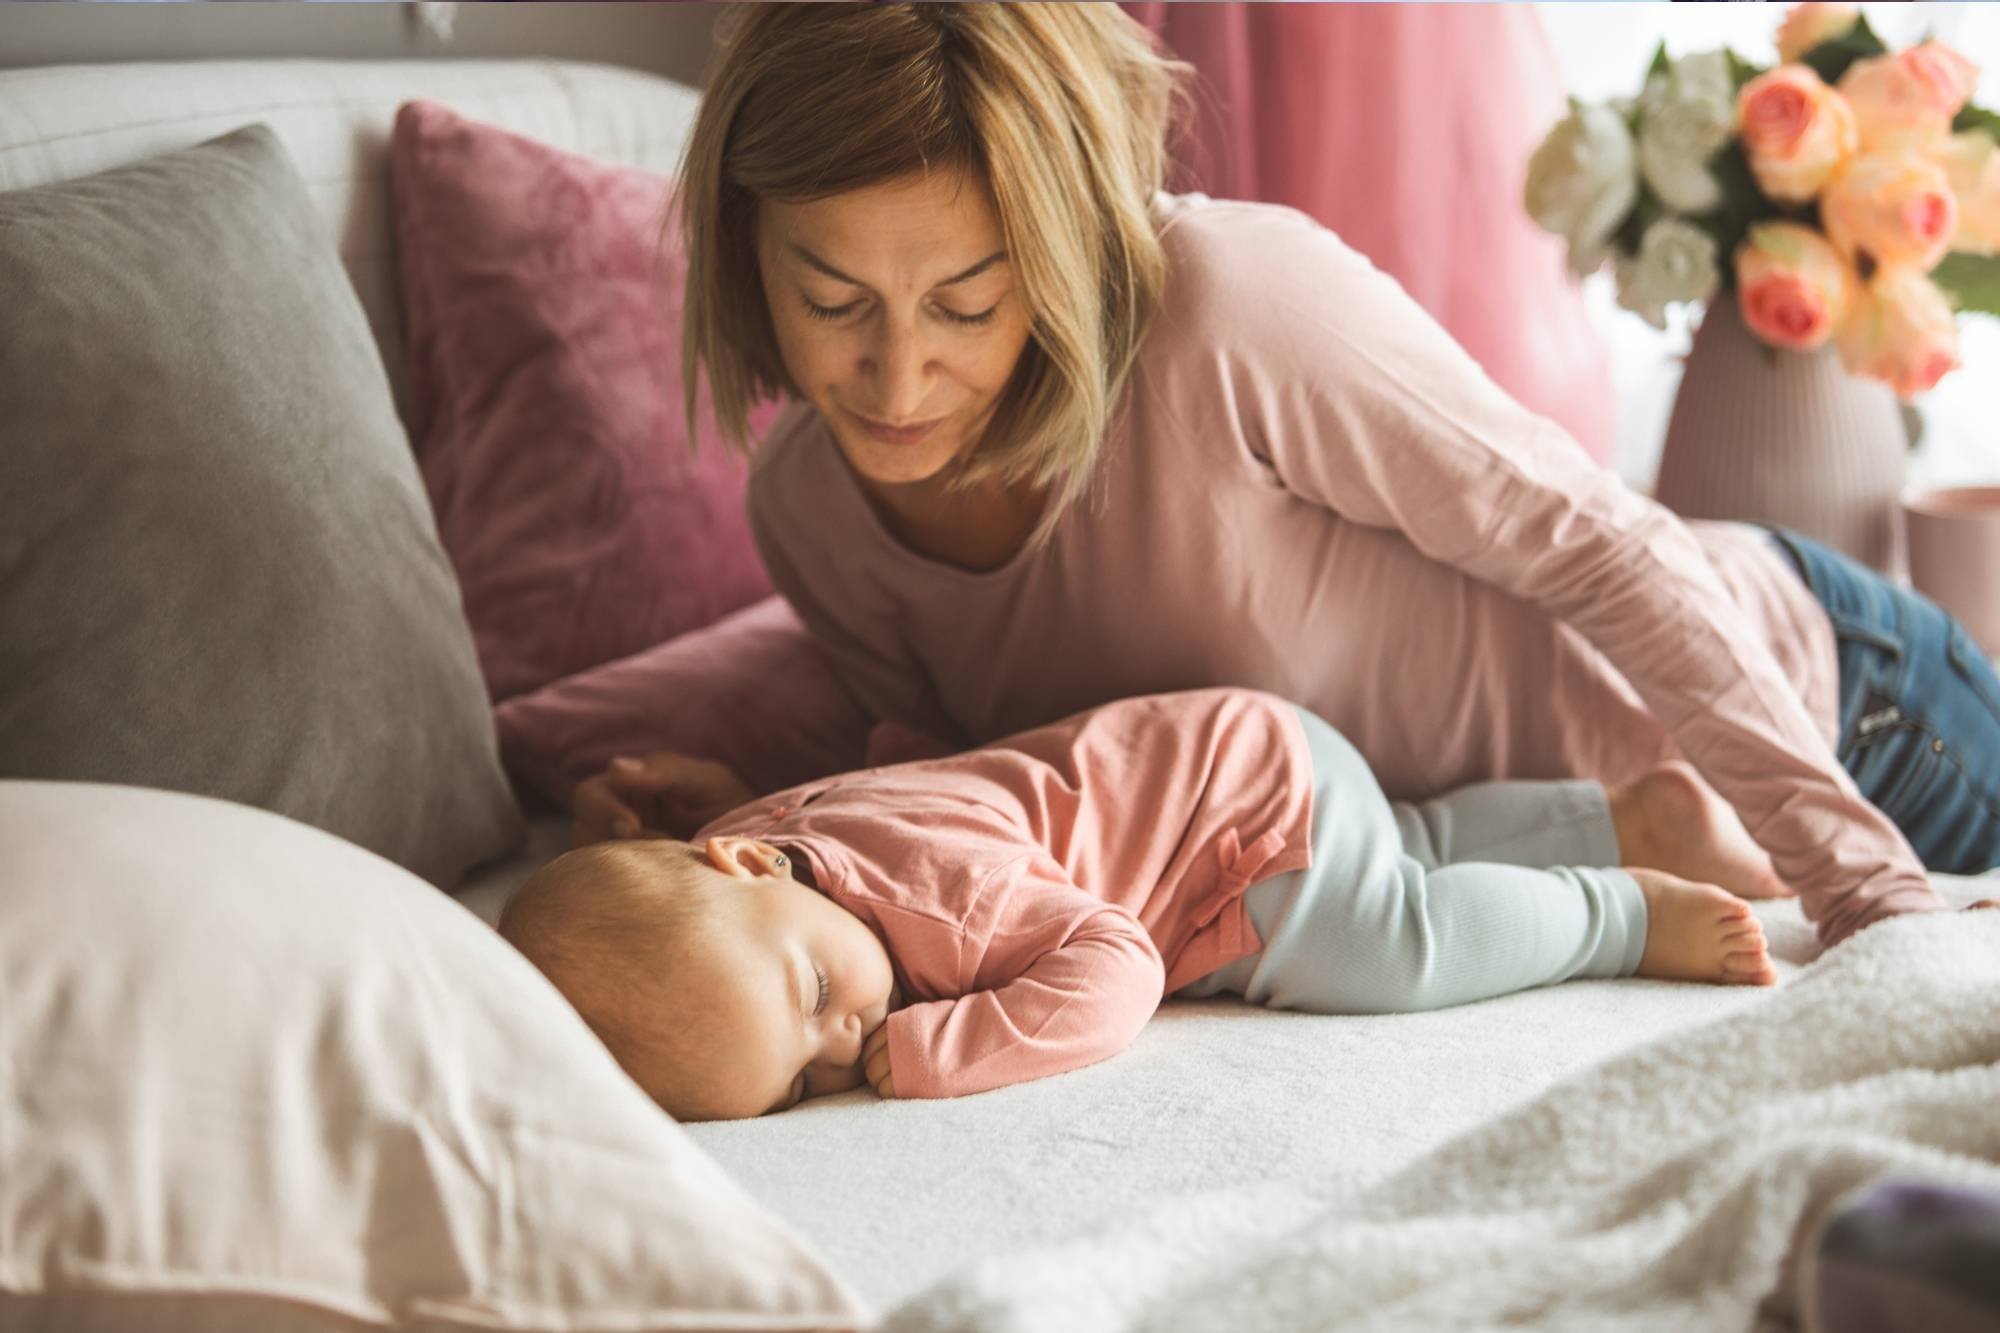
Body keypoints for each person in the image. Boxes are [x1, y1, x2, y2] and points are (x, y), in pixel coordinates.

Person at [658, 3, 2000, 951]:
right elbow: (1008, 788)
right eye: (832, 299)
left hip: (1837, 712)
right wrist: (760, 816)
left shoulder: (1227, 314)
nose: (895, 384)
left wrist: (1871, 898)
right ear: (748, 254)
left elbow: (1602, 542)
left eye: (965, 305)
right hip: (1569, 848)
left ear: (1063, 256)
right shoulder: (812, 516)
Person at [508, 689, 1784, 1122]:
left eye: (816, 1000)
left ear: (743, 871)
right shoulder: (763, 848)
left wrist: (931, 1047)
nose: (847, 1039)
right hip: (1253, 752)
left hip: (1232, 830)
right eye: (801, 1083)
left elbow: (1112, 958)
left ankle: (1621, 909)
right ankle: (1617, 815)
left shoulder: (934, 906)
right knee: (1401, 851)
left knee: (1386, 941)